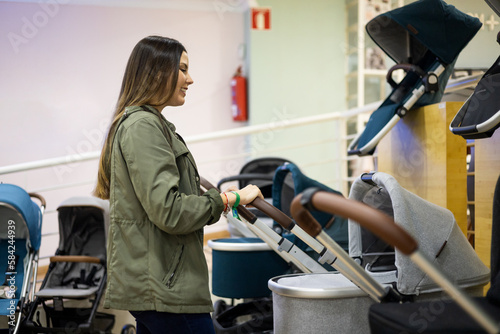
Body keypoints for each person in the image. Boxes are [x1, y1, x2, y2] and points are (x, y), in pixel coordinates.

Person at [93, 35, 264, 334]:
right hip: (165, 290)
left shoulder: (147, 123)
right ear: (157, 72)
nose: (190, 79)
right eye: (183, 69)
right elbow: (169, 210)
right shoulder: (143, 126)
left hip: (158, 285)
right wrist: (231, 198)